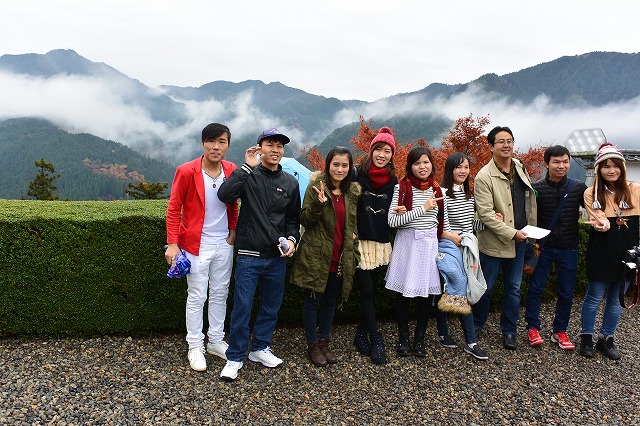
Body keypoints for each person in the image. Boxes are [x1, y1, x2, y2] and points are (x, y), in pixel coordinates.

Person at [216, 128, 301, 381]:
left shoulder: (290, 182)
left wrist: (292, 240)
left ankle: (260, 347)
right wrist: (246, 167)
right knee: (242, 307)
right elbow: (224, 195)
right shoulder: (248, 175)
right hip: (249, 254)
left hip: (276, 257)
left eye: (280, 146)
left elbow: (293, 219)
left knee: (271, 306)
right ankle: (235, 356)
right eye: (270, 144)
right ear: (260, 148)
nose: (275, 150)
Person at [165, 123, 239, 371]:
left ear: (228, 145)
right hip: (195, 244)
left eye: (221, 142)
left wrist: (232, 231)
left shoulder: (231, 170)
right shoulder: (187, 171)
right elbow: (174, 208)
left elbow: (233, 204)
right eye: (211, 141)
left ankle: (215, 340)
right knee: (197, 295)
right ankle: (195, 345)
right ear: (203, 143)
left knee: (220, 292)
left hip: (223, 243)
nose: (216, 147)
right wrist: (173, 243)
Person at [291, 147, 361, 367]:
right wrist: (318, 205)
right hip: (317, 256)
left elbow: (352, 223)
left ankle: (324, 341)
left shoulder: (352, 191)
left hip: (341, 255)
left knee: (330, 302)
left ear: (350, 168)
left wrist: (354, 245)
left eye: (344, 165)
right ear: (328, 165)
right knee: (312, 302)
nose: (340, 169)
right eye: (335, 164)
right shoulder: (317, 186)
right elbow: (305, 220)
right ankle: (312, 344)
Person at [385, 146, 458, 358]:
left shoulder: (439, 191)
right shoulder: (401, 188)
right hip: (407, 244)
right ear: (410, 167)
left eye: (426, 162)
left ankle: (420, 339)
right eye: (417, 163)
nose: (422, 167)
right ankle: (403, 338)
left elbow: (443, 224)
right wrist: (422, 209)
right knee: (402, 295)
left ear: (432, 165)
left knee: (426, 296)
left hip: (429, 246)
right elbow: (392, 221)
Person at [472, 126, 537, 350]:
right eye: (501, 141)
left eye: (510, 140)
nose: (506, 145)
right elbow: (486, 214)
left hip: (520, 239)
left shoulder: (519, 167)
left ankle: (509, 331)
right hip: (494, 243)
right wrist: (512, 233)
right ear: (491, 147)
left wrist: (528, 231)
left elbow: (528, 199)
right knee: (486, 287)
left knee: (514, 288)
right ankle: (476, 324)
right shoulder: (483, 176)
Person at [524, 145, 587, 350]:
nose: (561, 166)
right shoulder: (537, 188)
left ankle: (560, 331)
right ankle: (532, 327)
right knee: (536, 289)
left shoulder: (578, 188)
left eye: (565, 162)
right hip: (543, 248)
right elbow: (529, 217)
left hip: (569, 247)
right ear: (546, 164)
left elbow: (595, 207)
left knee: (566, 292)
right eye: (556, 162)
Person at [580, 142, 639, 360]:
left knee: (616, 298)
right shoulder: (591, 193)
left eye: (615, 166)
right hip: (602, 249)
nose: (611, 170)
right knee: (594, 296)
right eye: (606, 166)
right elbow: (599, 218)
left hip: (627, 252)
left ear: (622, 167)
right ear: (599, 169)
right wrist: (602, 223)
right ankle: (586, 338)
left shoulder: (635, 190)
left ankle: (607, 339)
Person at [352, 127, 398, 364]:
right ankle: (376, 338)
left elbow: (396, 210)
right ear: (371, 151)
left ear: (392, 155)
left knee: (372, 292)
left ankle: (361, 334)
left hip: (380, 242)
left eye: (387, 151)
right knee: (367, 291)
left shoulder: (393, 180)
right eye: (378, 149)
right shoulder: (356, 173)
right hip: (360, 241)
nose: (382, 154)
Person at [436, 152, 488, 360]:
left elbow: (469, 225)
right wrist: (451, 237)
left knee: (448, 290)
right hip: (448, 247)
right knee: (459, 287)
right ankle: (471, 341)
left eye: (466, 167)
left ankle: (443, 333)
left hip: (466, 247)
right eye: (459, 167)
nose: (463, 171)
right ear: (450, 169)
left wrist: (488, 222)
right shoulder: (442, 193)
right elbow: (441, 225)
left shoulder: (469, 196)